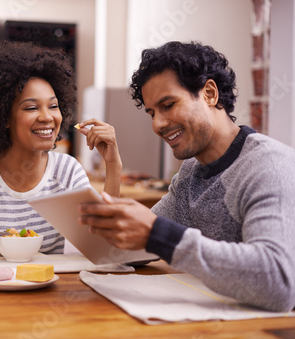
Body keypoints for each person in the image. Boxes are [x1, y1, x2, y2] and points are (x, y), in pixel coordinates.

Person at [78, 41, 295, 312]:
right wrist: (113, 171)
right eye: (152, 113)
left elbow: (278, 284)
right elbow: (133, 248)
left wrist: (159, 235)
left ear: (209, 94)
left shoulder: (269, 166)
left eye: (168, 105)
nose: (157, 124)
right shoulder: (191, 173)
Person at [0, 41, 122, 256]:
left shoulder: (67, 172)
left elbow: (102, 249)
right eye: (31, 107)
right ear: (4, 118)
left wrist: (113, 165)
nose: (47, 117)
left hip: (45, 288)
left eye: (53, 106)